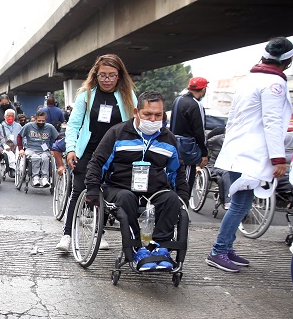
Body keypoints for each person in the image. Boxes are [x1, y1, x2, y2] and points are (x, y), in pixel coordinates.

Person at [205, 37, 292, 273]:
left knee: (241, 204)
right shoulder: (274, 83)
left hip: (239, 152)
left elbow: (233, 118)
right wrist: (278, 158)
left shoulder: (249, 80)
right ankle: (218, 251)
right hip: (250, 156)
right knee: (241, 205)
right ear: (287, 62)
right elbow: (272, 122)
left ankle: (226, 247)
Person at [85, 91, 189, 270]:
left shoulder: (168, 139)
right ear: (136, 112)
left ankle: (160, 249)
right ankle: (137, 248)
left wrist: (182, 194)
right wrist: (92, 188)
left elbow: (177, 171)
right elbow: (97, 162)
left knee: (171, 199)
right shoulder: (118, 133)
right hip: (120, 187)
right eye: (147, 114)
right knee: (126, 198)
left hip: (155, 190)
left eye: (158, 115)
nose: (153, 119)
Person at [57, 54, 137, 253]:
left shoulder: (128, 96)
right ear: (96, 74)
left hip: (116, 153)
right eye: (102, 75)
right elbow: (73, 125)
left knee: (104, 192)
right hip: (89, 151)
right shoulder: (86, 95)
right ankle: (67, 235)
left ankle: (97, 233)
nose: (107, 79)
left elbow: (135, 125)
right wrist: (71, 149)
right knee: (78, 191)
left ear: (119, 76)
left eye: (111, 75)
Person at [170, 77, 209, 194]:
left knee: (173, 179)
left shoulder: (178, 100)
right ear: (203, 89)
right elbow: (200, 131)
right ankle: (181, 207)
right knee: (185, 183)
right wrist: (204, 152)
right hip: (187, 148)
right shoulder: (196, 105)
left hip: (173, 143)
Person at [17, 110, 59, 187]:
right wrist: (21, 149)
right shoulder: (28, 126)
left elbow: (58, 138)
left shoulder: (50, 127)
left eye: (43, 121)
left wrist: (54, 148)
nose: (41, 122)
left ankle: (45, 178)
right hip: (30, 149)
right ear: (35, 119)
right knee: (35, 157)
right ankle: (35, 177)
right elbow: (19, 136)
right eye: (39, 120)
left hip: (44, 150)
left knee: (45, 158)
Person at [0, 108, 22, 177]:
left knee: (20, 153)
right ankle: (13, 169)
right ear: (4, 117)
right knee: (8, 153)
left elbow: (22, 136)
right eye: (8, 116)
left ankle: (20, 169)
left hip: (16, 145)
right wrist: (3, 145)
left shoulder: (18, 126)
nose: (10, 117)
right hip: (5, 146)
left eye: (12, 116)